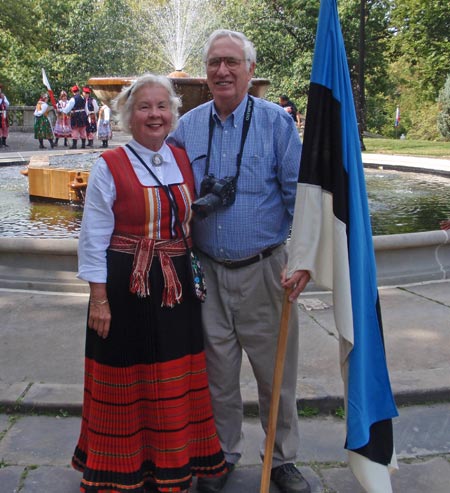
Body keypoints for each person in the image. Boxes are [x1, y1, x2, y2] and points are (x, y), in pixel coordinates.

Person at [168, 30, 311, 493]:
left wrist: (304, 258)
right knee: (218, 377)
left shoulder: (276, 124)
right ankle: (221, 455)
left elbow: (300, 198)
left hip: (266, 270)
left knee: (276, 376)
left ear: (250, 69)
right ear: (205, 72)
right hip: (206, 271)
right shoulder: (188, 127)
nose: (222, 71)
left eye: (232, 62)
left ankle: (283, 459)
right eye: (214, 63)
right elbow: (167, 189)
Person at [72, 73, 227, 493]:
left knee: (174, 374)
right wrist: (98, 299)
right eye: (144, 107)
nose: (154, 114)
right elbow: (93, 236)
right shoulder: (109, 165)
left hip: (175, 286)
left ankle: (174, 464)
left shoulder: (180, 159)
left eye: (162, 106)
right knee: (129, 375)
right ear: (128, 115)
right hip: (127, 288)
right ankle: (122, 469)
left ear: (173, 114)